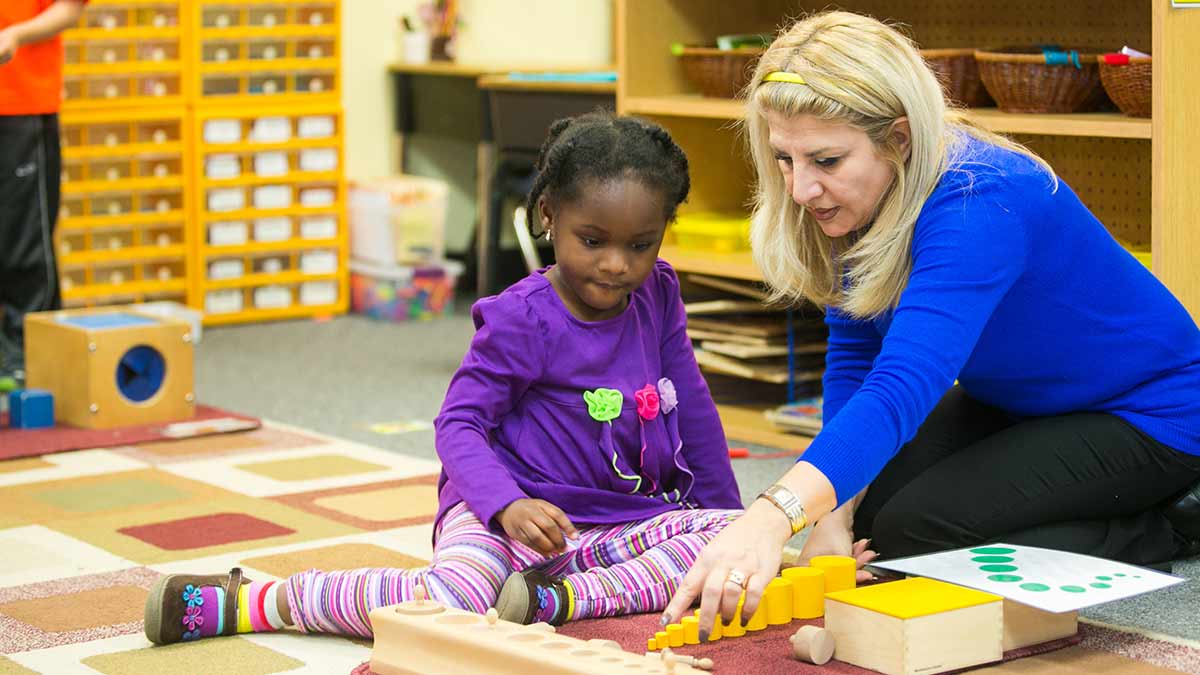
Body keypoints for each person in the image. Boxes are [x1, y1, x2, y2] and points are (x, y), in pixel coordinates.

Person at [662, 11, 1200, 638]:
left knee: (913, 536)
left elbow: (902, 385)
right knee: (863, 519)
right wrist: (830, 519)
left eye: (826, 159)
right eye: (784, 158)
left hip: (1152, 414)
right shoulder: (852, 197)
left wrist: (768, 518)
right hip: (1027, 403)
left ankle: (1171, 520)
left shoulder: (981, 201)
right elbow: (856, 358)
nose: (802, 188)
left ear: (900, 138)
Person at [142, 112, 743, 645]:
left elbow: (690, 403)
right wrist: (505, 504)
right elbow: (459, 423)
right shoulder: (523, 318)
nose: (617, 264)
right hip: (504, 517)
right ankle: (254, 601)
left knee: (728, 538)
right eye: (592, 241)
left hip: (616, 521)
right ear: (548, 215)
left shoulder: (658, 292)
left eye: (641, 244)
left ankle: (558, 601)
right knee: (452, 601)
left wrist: (727, 524)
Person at [0, 0, 87, 385]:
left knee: (24, 238)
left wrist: (15, 34)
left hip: (20, 104)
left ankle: (27, 353)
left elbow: (68, 8)